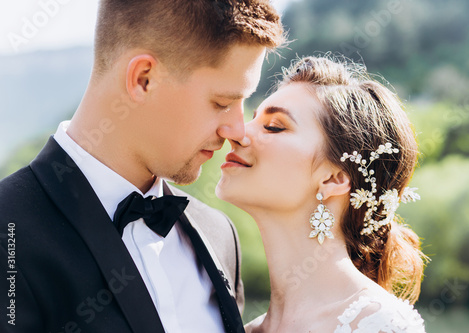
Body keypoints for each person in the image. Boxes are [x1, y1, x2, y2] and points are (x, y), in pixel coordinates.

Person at [0, 1, 284, 332]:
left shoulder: (219, 236)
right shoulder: (9, 233)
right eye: (222, 103)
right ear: (143, 79)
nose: (237, 130)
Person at [216, 55, 428, 332]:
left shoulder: (377, 324)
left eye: (274, 126)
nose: (238, 132)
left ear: (334, 178)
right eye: (253, 118)